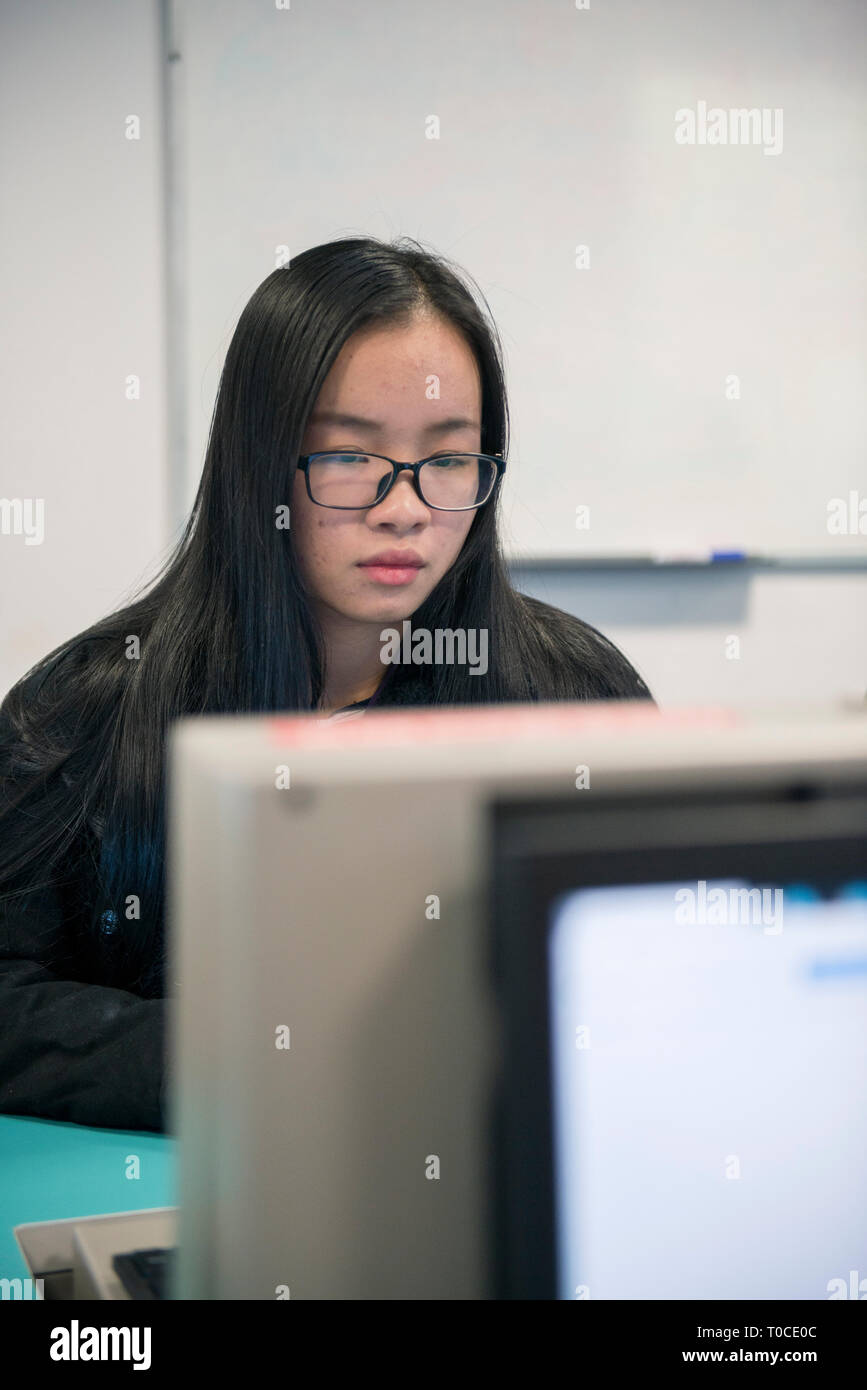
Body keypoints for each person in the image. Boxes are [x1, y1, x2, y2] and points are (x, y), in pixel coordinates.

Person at [0, 236, 653, 1133]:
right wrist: (265, 1068)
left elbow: (650, 975)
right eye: (349, 456)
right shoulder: (88, 709)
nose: (404, 506)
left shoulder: (573, 691)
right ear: (258, 465)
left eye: (450, 459)